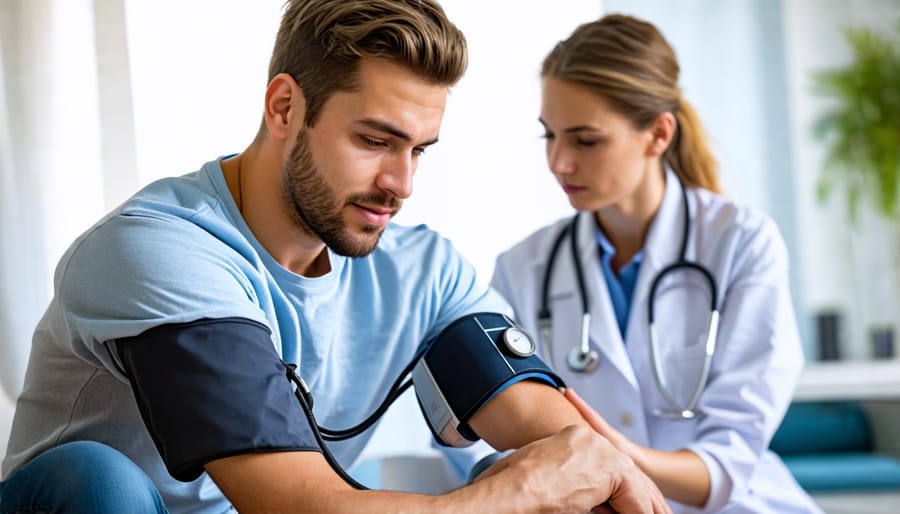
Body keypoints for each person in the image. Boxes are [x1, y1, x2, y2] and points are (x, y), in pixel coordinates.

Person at [0, 1, 671, 513]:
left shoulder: (421, 270)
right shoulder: (157, 251)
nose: (401, 184)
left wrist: (585, 469)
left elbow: (553, 437)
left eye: (419, 150)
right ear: (285, 107)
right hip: (87, 501)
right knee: (99, 476)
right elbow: (290, 502)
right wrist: (516, 491)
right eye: (375, 140)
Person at [489, 13, 823, 514]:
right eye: (549, 136)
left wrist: (613, 459)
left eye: (585, 140)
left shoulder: (740, 243)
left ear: (658, 134)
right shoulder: (523, 267)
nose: (559, 162)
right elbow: (484, 431)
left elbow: (728, 460)